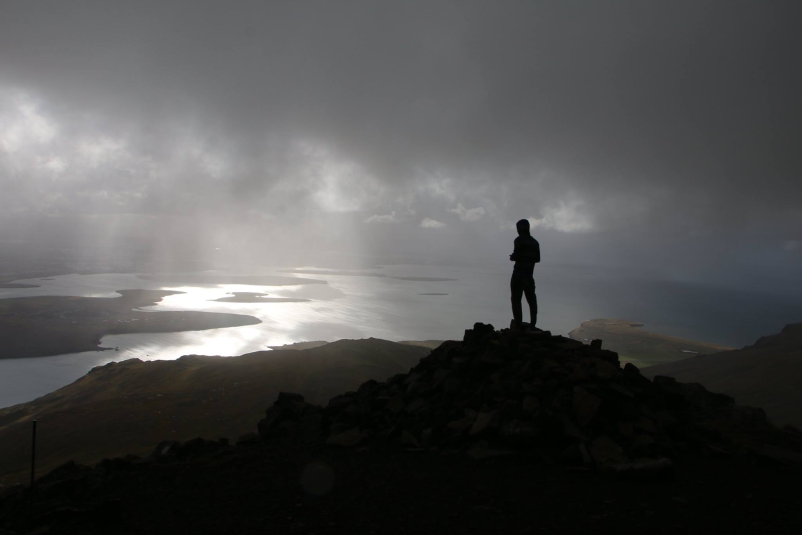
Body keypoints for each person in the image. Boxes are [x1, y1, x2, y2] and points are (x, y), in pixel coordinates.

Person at [509, 219, 540, 329]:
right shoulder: (535, 242)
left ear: (519, 229)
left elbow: (517, 255)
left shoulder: (519, 240)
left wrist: (513, 257)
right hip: (529, 275)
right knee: (531, 300)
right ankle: (533, 323)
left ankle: (518, 323)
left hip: (518, 274)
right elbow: (537, 259)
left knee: (516, 299)